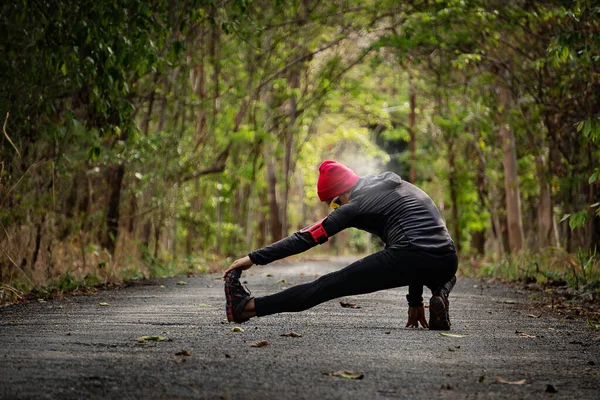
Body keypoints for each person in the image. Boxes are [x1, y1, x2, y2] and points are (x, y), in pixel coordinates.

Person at [223, 160, 458, 330]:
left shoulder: (356, 205)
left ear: (344, 190)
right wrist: (415, 300)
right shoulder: (400, 187)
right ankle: (440, 292)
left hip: (409, 255)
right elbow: (423, 240)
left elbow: (306, 237)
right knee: (437, 264)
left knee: (326, 285)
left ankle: (246, 308)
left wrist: (254, 258)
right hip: (447, 259)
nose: (336, 209)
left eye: (335, 203)